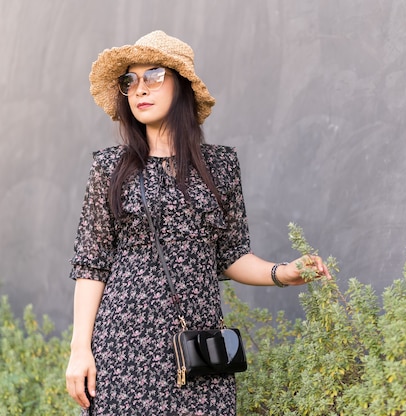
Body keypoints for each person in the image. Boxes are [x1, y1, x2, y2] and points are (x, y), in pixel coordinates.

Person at [65, 30, 330, 416]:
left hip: (200, 347)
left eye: (153, 75)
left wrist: (282, 273)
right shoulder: (110, 168)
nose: (140, 89)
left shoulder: (220, 166)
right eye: (130, 81)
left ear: (182, 86)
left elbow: (231, 254)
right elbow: (92, 264)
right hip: (124, 347)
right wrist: (80, 350)